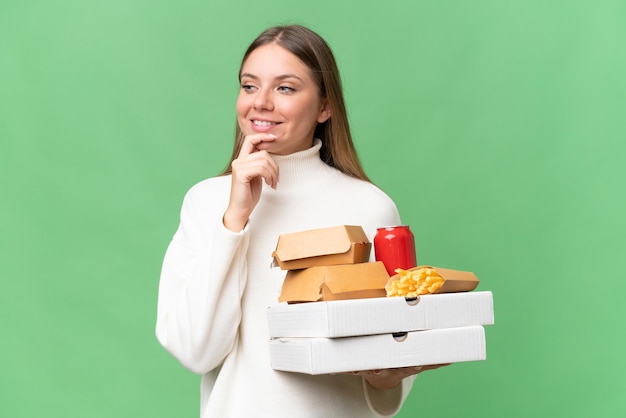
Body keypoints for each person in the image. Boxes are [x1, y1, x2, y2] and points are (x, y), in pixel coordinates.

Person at [156, 24, 441, 417]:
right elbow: (195, 350)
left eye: (285, 88)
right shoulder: (206, 203)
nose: (261, 103)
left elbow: (398, 341)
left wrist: (387, 375)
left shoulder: (371, 207)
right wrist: (234, 220)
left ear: (325, 106)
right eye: (249, 85)